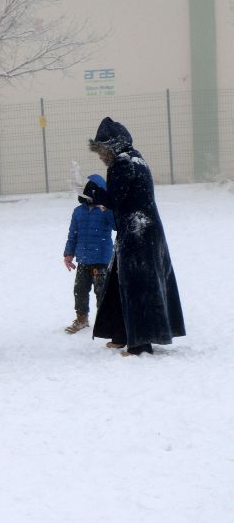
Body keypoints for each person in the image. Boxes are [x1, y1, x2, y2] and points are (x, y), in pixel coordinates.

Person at [83, 117, 185, 356]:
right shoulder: (137, 159)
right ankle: (121, 334)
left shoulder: (122, 163)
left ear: (112, 146)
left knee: (137, 286)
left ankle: (139, 343)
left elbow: (115, 201)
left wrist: (89, 191)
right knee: (122, 282)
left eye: (101, 150)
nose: (100, 156)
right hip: (146, 230)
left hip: (136, 233)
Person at [63, 175, 115, 334]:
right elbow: (73, 234)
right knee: (79, 290)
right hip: (83, 260)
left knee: (102, 292)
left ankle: (105, 320)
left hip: (101, 260)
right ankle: (81, 318)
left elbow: (116, 225)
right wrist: (69, 254)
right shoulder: (78, 212)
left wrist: (109, 209)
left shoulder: (105, 211)